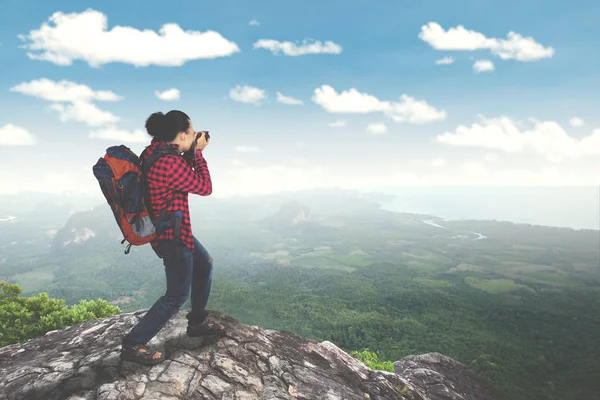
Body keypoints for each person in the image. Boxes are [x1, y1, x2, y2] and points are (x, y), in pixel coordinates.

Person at [120, 110, 225, 365]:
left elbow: (177, 175)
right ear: (180, 135)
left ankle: (197, 322)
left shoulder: (155, 151)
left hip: (176, 231)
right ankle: (133, 344)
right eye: (191, 131)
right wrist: (197, 153)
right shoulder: (169, 163)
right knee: (176, 296)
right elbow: (205, 187)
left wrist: (188, 150)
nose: (194, 134)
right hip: (172, 238)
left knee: (205, 263)